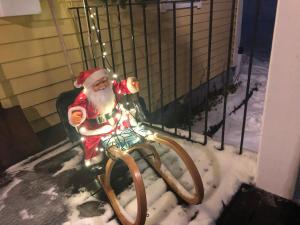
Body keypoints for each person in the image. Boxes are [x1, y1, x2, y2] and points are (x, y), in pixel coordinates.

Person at [68, 68, 139, 166]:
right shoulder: (85, 96)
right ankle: (94, 159)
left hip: (114, 118)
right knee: (91, 141)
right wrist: (76, 114)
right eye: (97, 84)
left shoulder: (111, 86)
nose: (102, 85)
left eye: (104, 81)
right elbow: (77, 106)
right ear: (89, 86)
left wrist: (129, 85)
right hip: (96, 124)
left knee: (126, 124)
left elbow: (120, 86)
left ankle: (127, 145)